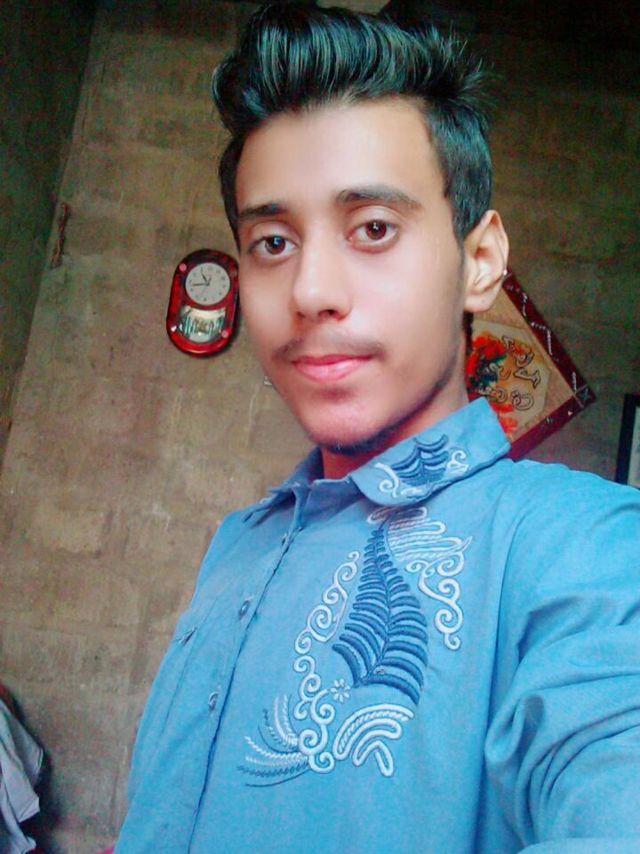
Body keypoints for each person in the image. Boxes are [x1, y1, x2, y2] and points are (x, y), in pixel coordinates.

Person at [115, 5, 640, 852]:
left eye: (373, 229)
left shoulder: (587, 548)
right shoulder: (238, 544)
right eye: (273, 242)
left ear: (479, 261)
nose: (311, 291)